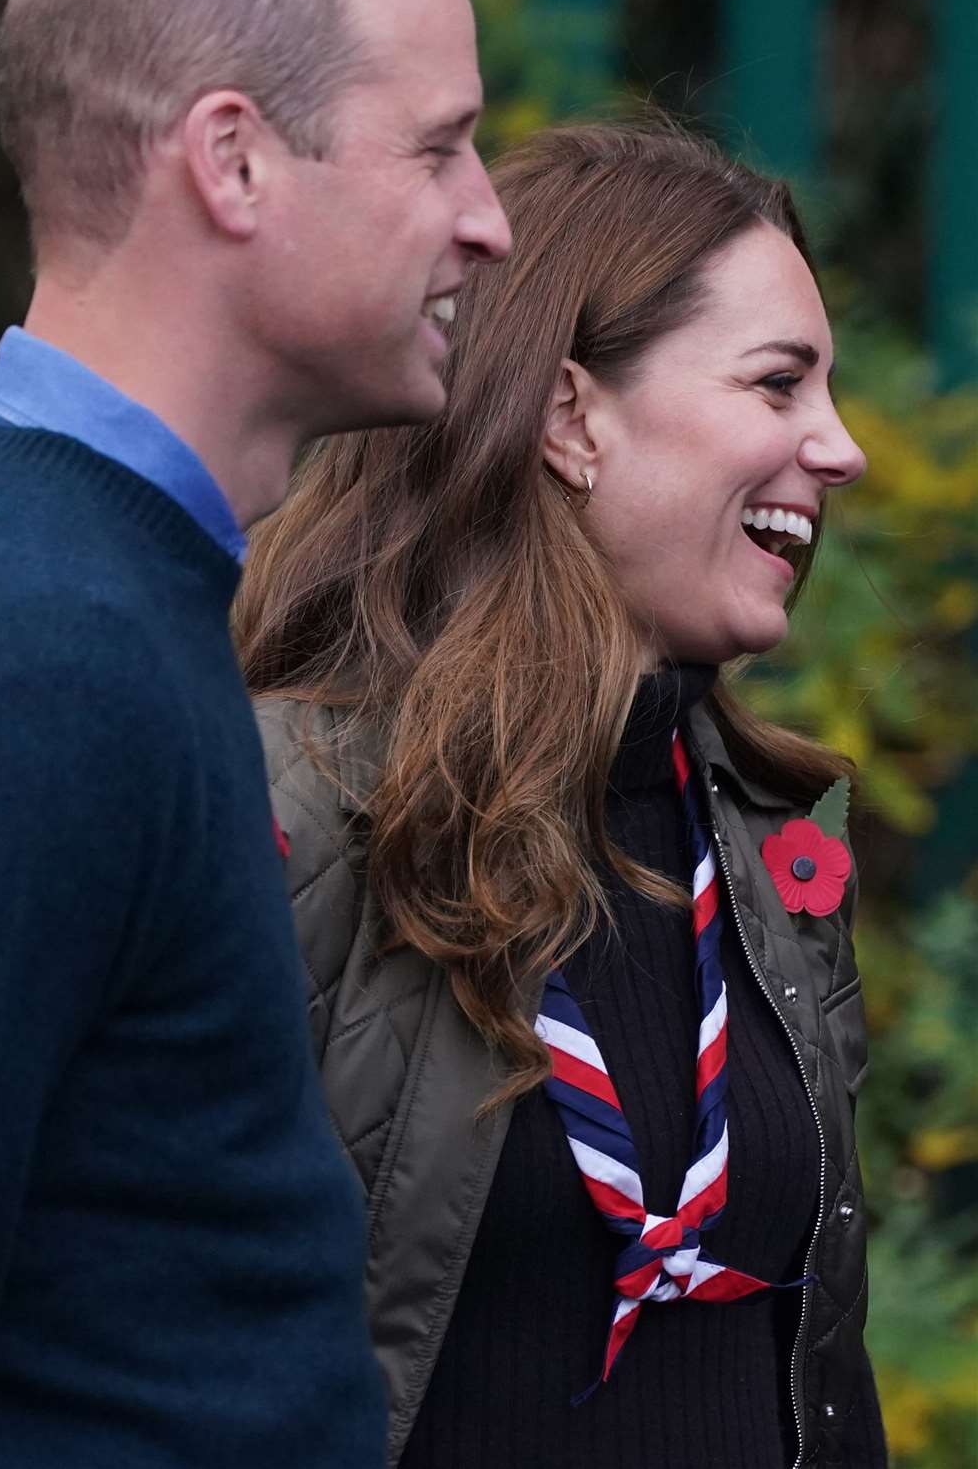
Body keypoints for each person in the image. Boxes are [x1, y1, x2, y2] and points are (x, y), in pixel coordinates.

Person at [0, 0, 509, 1469]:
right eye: (441, 147)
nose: (492, 220)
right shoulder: (22, 649)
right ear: (232, 161)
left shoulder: (83, 597)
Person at [237, 119, 887, 1469]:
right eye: (779, 385)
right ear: (572, 414)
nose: (841, 449)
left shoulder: (773, 850)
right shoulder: (287, 808)